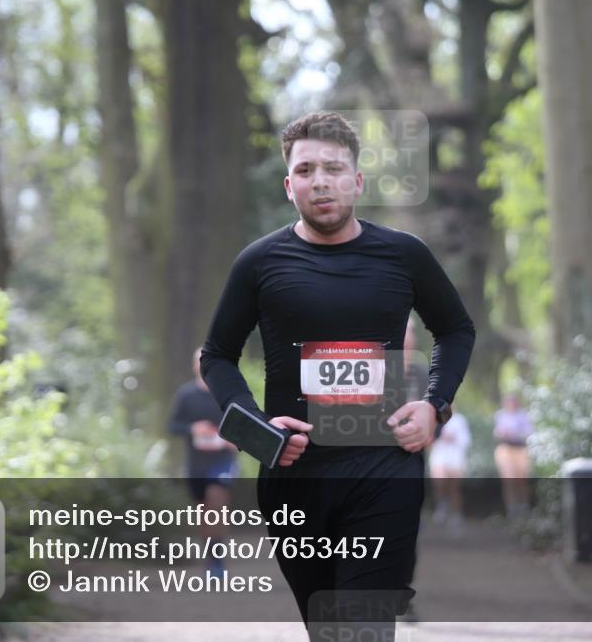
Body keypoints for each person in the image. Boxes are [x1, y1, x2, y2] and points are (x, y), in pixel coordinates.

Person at [200, 111, 475, 639]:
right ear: (288, 185)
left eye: (332, 168)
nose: (320, 180)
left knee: (361, 628)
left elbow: (456, 330)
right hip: (294, 478)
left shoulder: (403, 255)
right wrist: (258, 432)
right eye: (305, 170)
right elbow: (216, 356)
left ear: (357, 180)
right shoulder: (259, 263)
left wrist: (433, 404)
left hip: (384, 468)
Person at [167, 348, 239, 578]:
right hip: (196, 463)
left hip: (223, 461)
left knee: (216, 503)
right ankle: (211, 555)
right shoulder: (186, 395)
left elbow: (245, 423)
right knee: (204, 511)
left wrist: (233, 439)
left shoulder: (227, 393)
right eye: (199, 361)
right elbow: (173, 426)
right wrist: (192, 428)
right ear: (193, 366)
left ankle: (218, 561)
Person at [428, 409, 471, 529]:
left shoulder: (460, 420)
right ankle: (442, 507)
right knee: (439, 483)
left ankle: (456, 513)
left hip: (455, 459)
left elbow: (466, 440)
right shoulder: (435, 418)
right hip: (440, 457)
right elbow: (430, 438)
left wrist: (453, 438)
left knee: (454, 488)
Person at [493, 392, 533, 516]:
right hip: (506, 449)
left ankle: (523, 505)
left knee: (521, 479)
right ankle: (511, 507)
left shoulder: (522, 415)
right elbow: (497, 431)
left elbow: (529, 432)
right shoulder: (500, 415)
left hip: (520, 449)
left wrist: (515, 433)